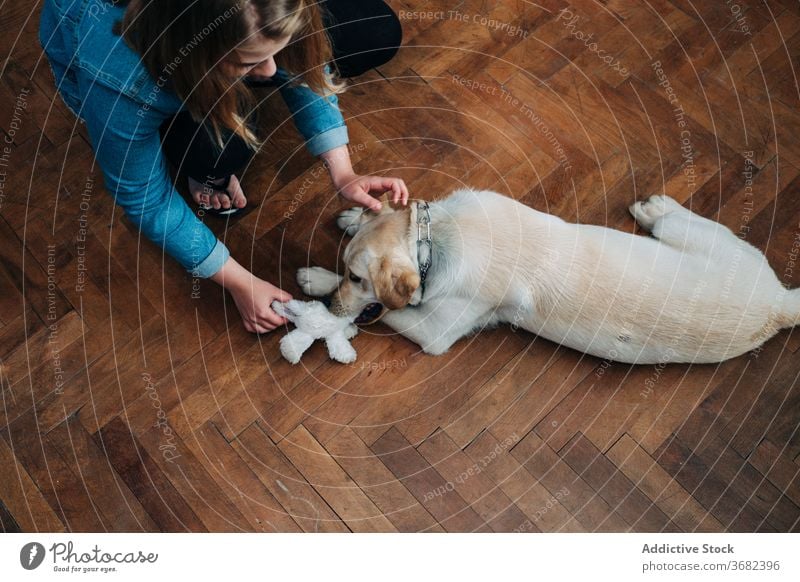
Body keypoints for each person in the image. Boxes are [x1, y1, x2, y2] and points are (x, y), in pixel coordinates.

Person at [39, 0, 407, 333]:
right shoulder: (119, 79)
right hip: (142, 73)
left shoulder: (266, 25)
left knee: (376, 29)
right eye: (249, 61)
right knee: (222, 150)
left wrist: (342, 169)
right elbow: (144, 198)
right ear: (197, 52)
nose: (271, 70)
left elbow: (299, 61)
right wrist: (239, 282)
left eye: (273, 52)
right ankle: (193, 155)